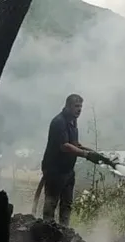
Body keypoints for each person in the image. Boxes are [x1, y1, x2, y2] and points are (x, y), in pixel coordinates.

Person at [40, 94, 105, 226]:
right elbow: (64, 146)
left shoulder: (73, 122)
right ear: (68, 106)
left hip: (68, 170)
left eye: (81, 106)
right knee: (51, 203)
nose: (79, 109)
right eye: (76, 106)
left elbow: (75, 144)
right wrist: (86, 155)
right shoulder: (59, 122)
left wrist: (93, 153)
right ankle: (46, 232)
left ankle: (64, 231)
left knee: (67, 204)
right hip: (54, 170)